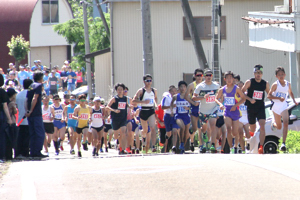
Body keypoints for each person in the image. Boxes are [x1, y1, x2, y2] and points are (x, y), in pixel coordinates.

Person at [267, 66, 298, 151]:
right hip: (276, 107)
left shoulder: (288, 84)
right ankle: (273, 123)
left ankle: (283, 143)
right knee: (279, 127)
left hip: (284, 106)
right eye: (279, 74)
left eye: (282, 74)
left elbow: (290, 92)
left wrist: (294, 101)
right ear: (276, 76)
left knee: (286, 122)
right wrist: (278, 98)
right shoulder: (275, 84)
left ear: (285, 75)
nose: (281, 76)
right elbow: (269, 95)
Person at [242, 65, 270, 154]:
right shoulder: (249, 82)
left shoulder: (265, 83)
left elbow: (269, 94)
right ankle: (248, 141)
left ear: (262, 74)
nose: (258, 75)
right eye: (257, 73)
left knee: (262, 126)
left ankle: (261, 147)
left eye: (260, 73)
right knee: (252, 129)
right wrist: (250, 99)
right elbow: (241, 92)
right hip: (251, 107)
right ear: (254, 73)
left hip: (260, 107)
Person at [215, 71, 246, 153]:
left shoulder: (237, 89)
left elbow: (243, 98)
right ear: (225, 79)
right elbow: (216, 98)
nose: (229, 80)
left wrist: (236, 105)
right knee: (228, 129)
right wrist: (221, 104)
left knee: (235, 133)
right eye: (227, 78)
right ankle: (231, 147)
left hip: (235, 112)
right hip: (227, 112)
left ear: (233, 79)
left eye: (230, 78)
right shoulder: (222, 89)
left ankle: (235, 145)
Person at [193, 69, 220, 153]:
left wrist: (220, 103)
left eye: (210, 75)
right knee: (204, 128)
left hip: (213, 109)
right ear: (204, 77)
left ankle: (212, 144)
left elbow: (220, 94)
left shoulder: (216, 85)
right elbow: (194, 97)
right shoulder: (200, 86)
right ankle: (204, 134)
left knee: (213, 125)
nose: (208, 77)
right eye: (207, 75)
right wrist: (203, 97)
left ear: (212, 76)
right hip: (203, 110)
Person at [132, 74, 158, 153]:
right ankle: (143, 136)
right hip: (143, 110)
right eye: (147, 81)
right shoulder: (141, 91)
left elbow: (155, 98)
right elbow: (133, 101)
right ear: (144, 81)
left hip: (150, 110)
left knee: (153, 128)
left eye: (150, 81)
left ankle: (153, 146)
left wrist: (156, 105)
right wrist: (143, 102)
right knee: (145, 130)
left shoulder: (154, 90)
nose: (149, 82)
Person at [25, 70, 48, 158]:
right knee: (40, 133)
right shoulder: (39, 85)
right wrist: (31, 110)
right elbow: (35, 98)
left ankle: (33, 152)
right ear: (41, 78)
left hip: (30, 114)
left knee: (33, 133)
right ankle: (37, 152)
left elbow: (27, 99)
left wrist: (27, 110)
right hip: (36, 113)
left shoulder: (31, 85)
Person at [171, 81, 196, 154]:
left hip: (186, 116)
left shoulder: (188, 97)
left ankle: (182, 146)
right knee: (182, 127)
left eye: (184, 87)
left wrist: (187, 108)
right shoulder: (176, 96)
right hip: (179, 115)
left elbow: (191, 106)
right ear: (179, 88)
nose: (182, 88)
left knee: (186, 133)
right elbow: (171, 103)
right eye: (181, 87)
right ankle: (181, 143)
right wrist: (172, 111)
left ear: (186, 88)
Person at [107, 83, 129, 154]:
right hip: (115, 119)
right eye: (118, 90)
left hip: (123, 118)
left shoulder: (125, 98)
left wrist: (130, 107)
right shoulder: (114, 99)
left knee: (123, 132)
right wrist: (114, 110)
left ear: (123, 90)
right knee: (117, 136)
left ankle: (122, 149)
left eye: (121, 90)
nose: (120, 91)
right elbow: (107, 107)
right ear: (116, 90)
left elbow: (128, 105)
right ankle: (116, 141)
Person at [184, 68, 204, 152]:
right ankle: (191, 141)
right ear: (195, 76)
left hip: (203, 108)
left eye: (201, 75)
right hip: (194, 108)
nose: (199, 77)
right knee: (195, 128)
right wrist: (193, 102)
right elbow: (186, 96)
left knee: (201, 128)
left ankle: (202, 145)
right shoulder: (192, 85)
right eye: (198, 75)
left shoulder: (205, 85)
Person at [16, 79, 33, 158]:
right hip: (29, 120)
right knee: (27, 138)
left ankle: (19, 153)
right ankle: (26, 153)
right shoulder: (30, 94)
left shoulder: (18, 95)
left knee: (20, 137)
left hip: (20, 119)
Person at [161, 85, 179, 153]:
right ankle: (166, 142)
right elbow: (163, 107)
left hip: (175, 115)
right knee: (169, 133)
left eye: (175, 91)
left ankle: (174, 146)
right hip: (168, 115)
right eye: (172, 91)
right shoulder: (166, 98)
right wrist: (171, 106)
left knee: (175, 131)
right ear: (169, 92)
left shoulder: (178, 98)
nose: (174, 92)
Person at [6, 88, 18, 159]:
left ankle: (8, 155)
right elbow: (15, 112)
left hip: (7, 122)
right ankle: (15, 155)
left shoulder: (6, 102)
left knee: (8, 140)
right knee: (14, 139)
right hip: (12, 121)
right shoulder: (12, 103)